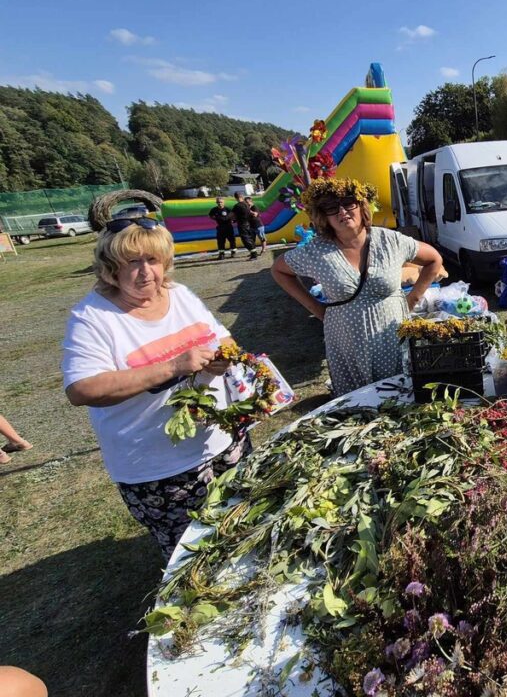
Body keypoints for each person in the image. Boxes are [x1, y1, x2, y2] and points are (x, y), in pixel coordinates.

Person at [62, 194, 249, 560]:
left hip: (224, 442)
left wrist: (223, 358)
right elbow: (82, 389)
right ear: (109, 268)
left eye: (153, 260)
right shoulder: (92, 318)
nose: (146, 272)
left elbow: (222, 338)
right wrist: (173, 366)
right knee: (195, 556)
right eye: (131, 262)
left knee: (244, 526)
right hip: (161, 471)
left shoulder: (179, 295)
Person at [271, 176, 443, 396]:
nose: (342, 212)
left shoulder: (391, 241)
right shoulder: (315, 251)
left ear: (362, 207)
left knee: (400, 399)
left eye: (348, 203)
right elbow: (279, 270)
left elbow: (434, 260)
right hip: (345, 341)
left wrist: (413, 299)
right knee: (357, 407)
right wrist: (315, 308)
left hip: (392, 336)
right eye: (332, 208)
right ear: (324, 216)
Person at [232, 192, 258, 259]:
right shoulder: (246, 204)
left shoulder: (237, 206)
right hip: (248, 223)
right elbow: (249, 213)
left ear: (235, 197)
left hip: (242, 224)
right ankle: (254, 253)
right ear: (242, 197)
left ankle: (253, 254)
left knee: (245, 239)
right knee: (249, 238)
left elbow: (232, 215)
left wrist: (232, 220)